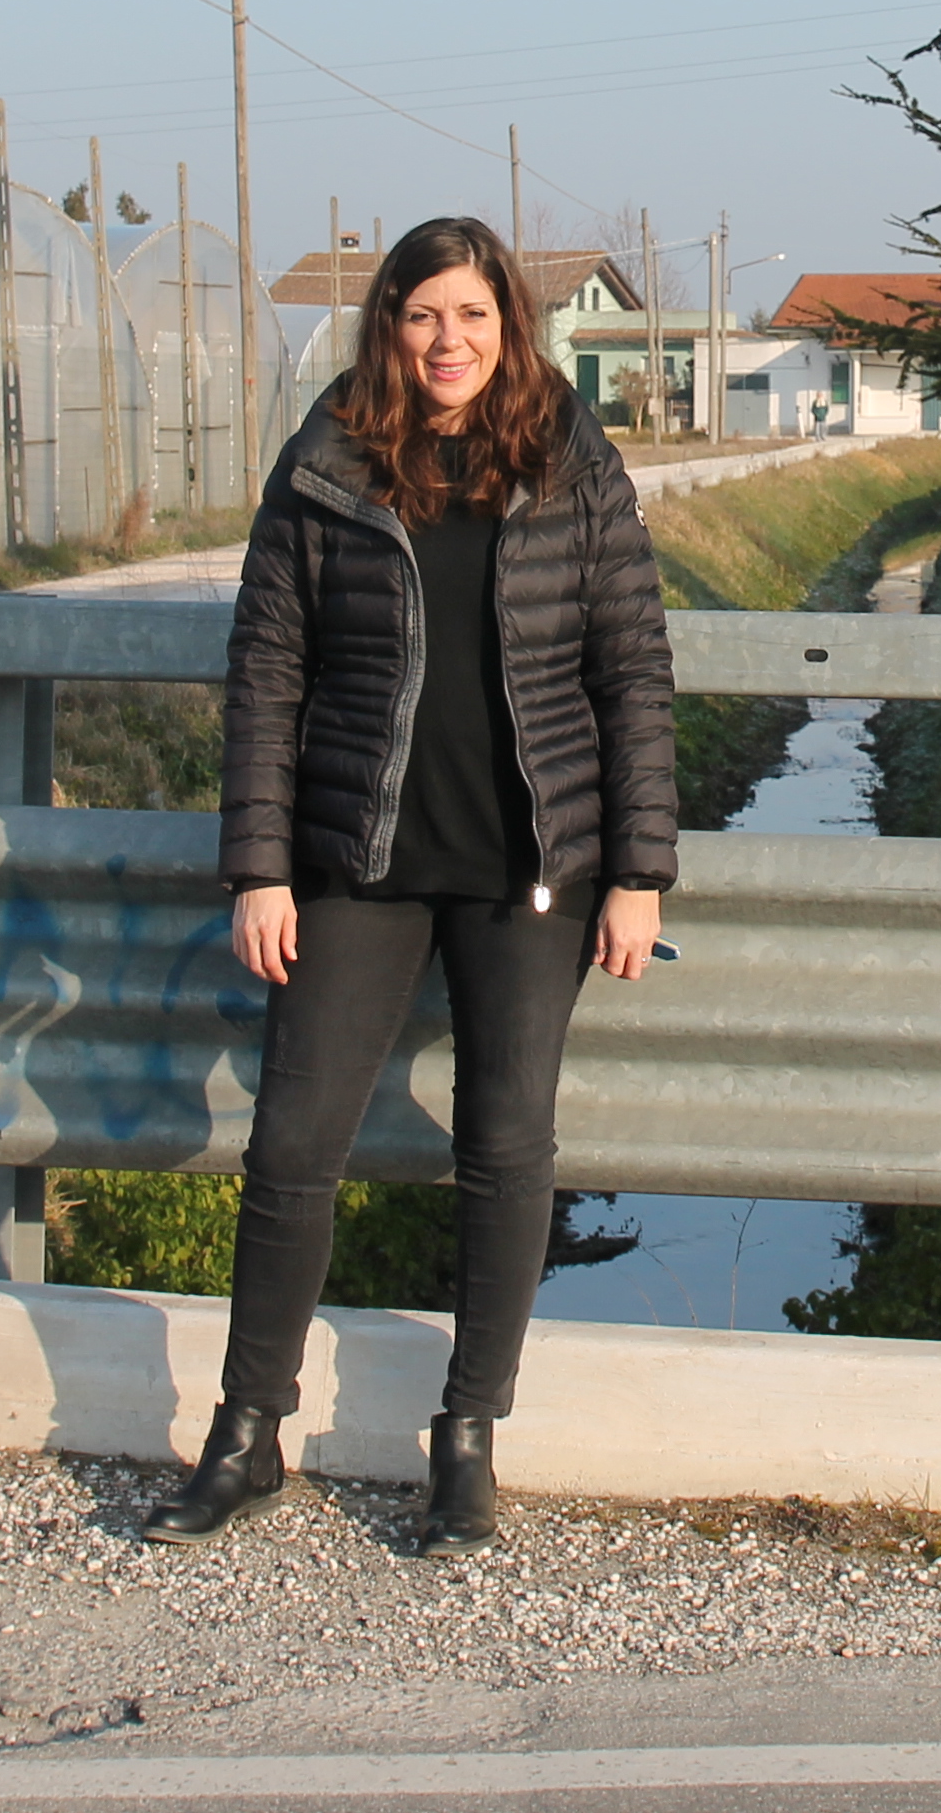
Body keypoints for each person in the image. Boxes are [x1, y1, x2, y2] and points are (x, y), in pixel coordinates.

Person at [144, 215, 674, 1558]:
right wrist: (259, 865)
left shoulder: (568, 453)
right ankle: (248, 1430)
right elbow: (267, 670)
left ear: (512, 329)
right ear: (391, 325)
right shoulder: (327, 456)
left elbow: (632, 668)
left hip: (529, 867)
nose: (449, 342)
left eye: (474, 318)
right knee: (292, 1146)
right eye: (424, 316)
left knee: (505, 1148)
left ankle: (467, 1437)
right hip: (352, 861)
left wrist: (638, 871)